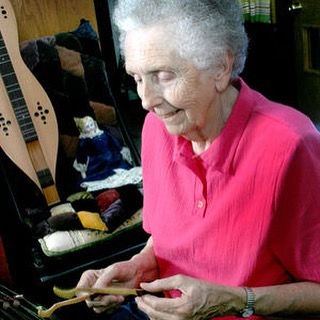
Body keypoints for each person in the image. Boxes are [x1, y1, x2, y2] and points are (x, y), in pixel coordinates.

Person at [76, 0, 320, 319]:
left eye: (162, 75)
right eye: (136, 78)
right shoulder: (157, 129)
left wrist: (237, 300)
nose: (146, 101)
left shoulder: (289, 145)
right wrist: (137, 269)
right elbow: (164, 241)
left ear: (220, 67)